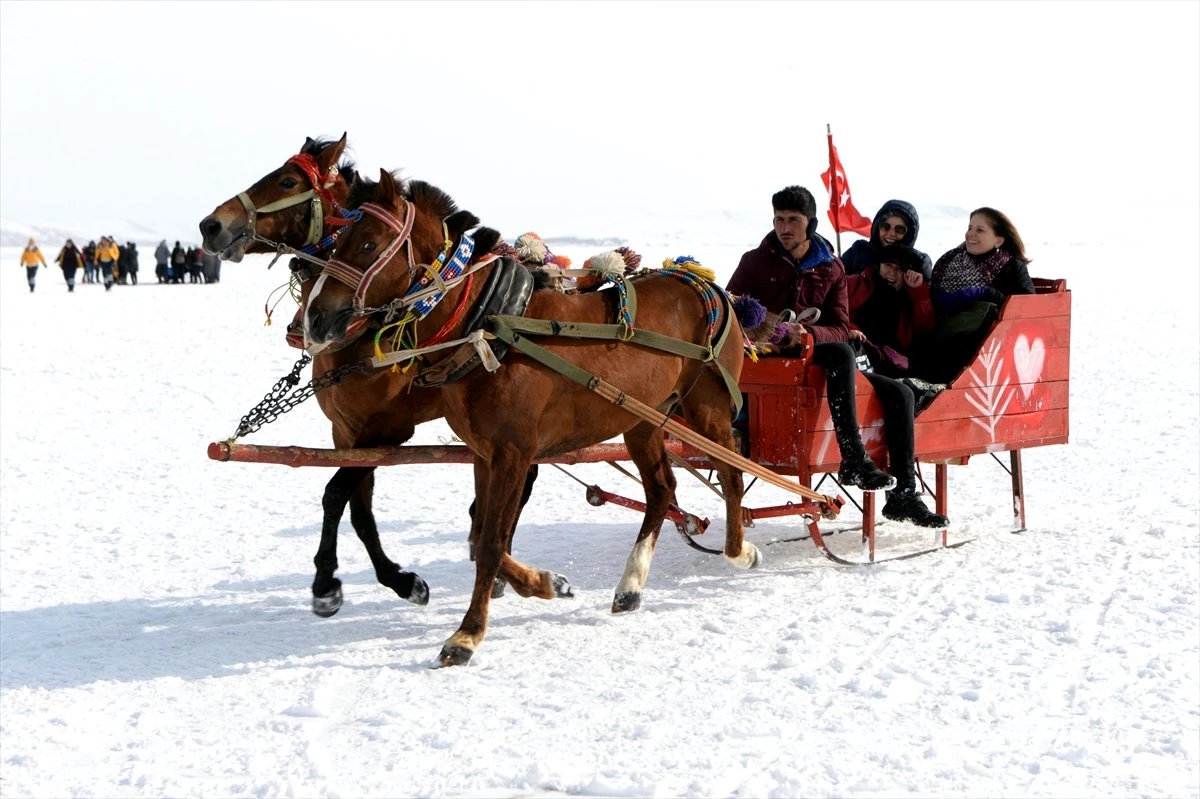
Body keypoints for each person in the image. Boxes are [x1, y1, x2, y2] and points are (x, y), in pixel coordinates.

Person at [727, 185, 949, 528]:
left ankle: (903, 494)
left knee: (900, 392)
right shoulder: (754, 262)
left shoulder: (830, 268)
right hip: (769, 361)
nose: (785, 228)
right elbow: (731, 307)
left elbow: (840, 326)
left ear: (811, 224)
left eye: (794, 221)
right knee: (843, 354)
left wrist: (809, 334)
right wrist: (767, 331)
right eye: (779, 220)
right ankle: (853, 456)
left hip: (817, 357)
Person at [912, 207, 1035, 383]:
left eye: (980, 230)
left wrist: (986, 294)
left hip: (988, 350)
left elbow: (1027, 307)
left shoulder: (1011, 267)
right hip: (940, 335)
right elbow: (933, 301)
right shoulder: (949, 261)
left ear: (998, 241)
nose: (970, 234)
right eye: (970, 228)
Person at [841, 200, 934, 281]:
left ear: (909, 233)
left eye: (899, 229)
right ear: (878, 228)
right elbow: (836, 283)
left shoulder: (919, 262)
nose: (891, 233)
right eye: (885, 227)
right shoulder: (859, 252)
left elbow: (929, 298)